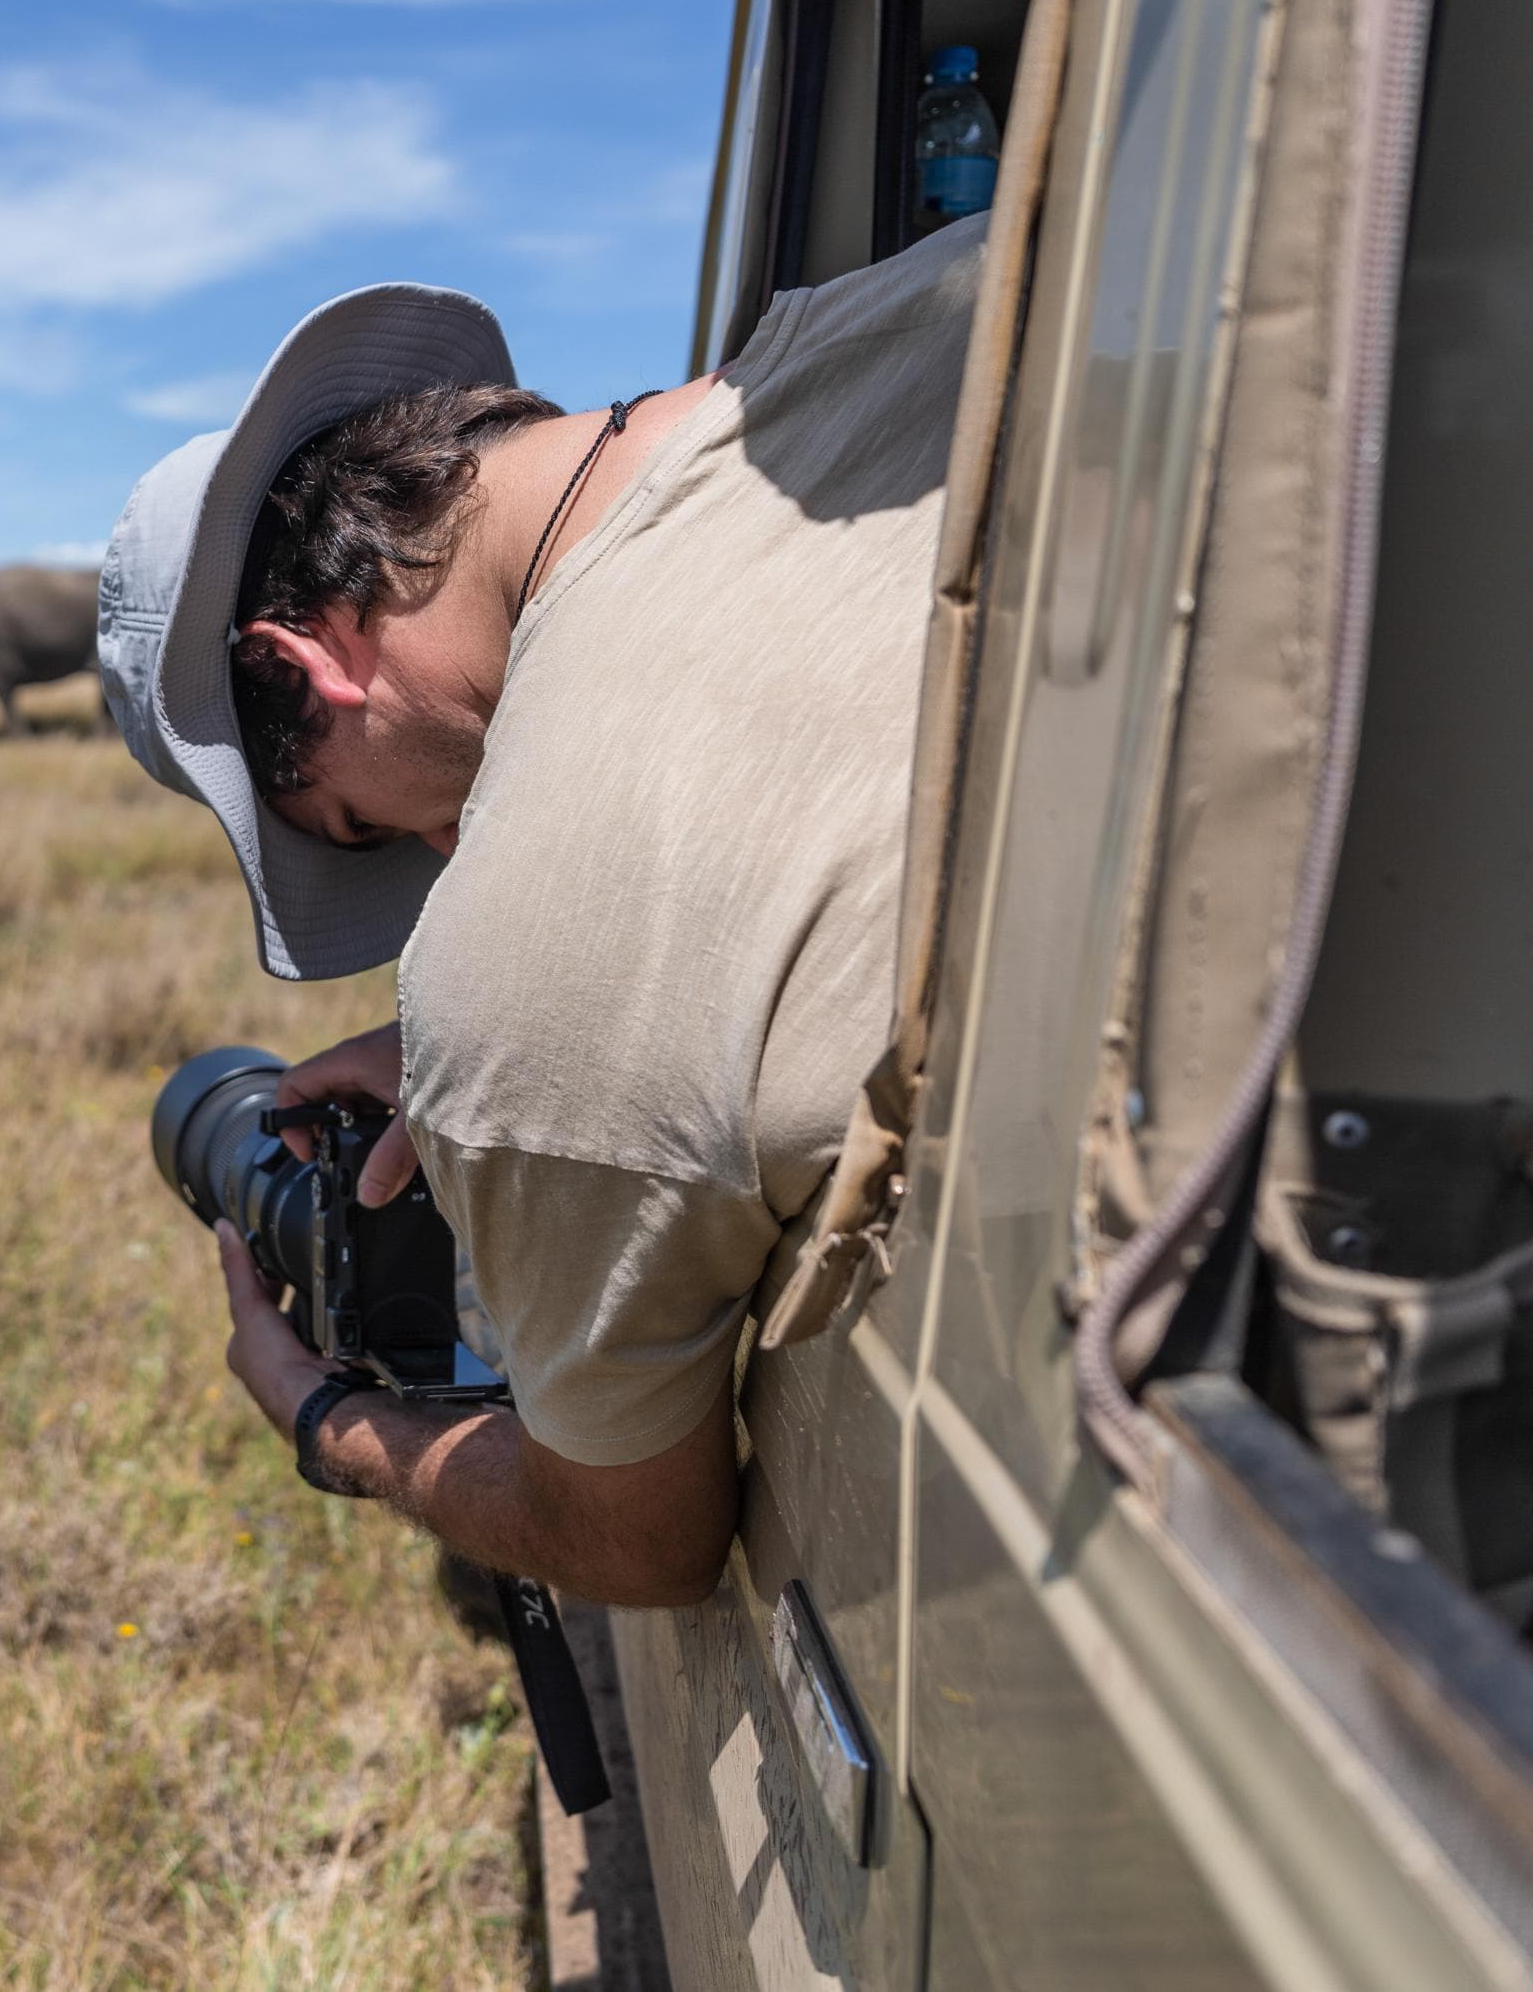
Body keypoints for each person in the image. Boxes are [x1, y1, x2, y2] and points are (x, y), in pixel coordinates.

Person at [96, 216, 982, 1607]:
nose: (450, 846)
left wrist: (331, 1423)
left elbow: (644, 1543)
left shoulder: (524, 972)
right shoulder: (895, 313)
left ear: (301, 661)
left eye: (361, 823)